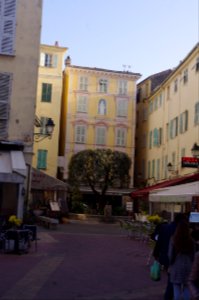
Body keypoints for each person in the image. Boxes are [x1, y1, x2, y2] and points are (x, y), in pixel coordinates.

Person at [153, 213, 186, 300]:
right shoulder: (179, 230)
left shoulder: (164, 227)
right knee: (172, 280)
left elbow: (158, 242)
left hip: (164, 257)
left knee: (171, 279)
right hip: (174, 259)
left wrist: (155, 254)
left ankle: (170, 295)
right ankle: (168, 296)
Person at [168, 220, 195, 300]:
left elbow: (170, 255)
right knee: (187, 288)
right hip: (188, 267)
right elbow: (193, 256)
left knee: (176, 289)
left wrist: (170, 264)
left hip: (176, 267)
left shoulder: (173, 240)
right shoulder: (191, 241)